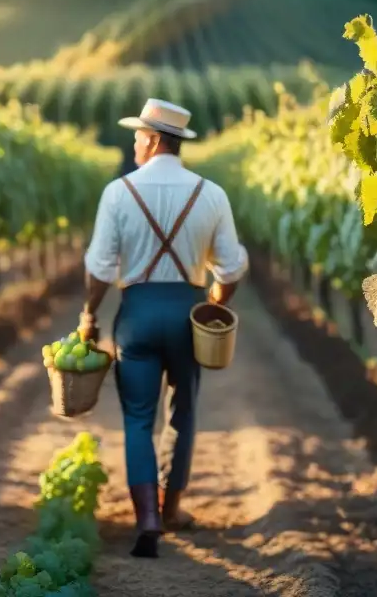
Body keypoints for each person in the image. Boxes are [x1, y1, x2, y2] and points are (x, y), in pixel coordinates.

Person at [78, 98, 249, 558]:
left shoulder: (119, 193)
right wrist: (214, 304)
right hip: (188, 316)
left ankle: (147, 519)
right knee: (184, 411)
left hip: (136, 315)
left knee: (138, 418)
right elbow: (231, 268)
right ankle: (171, 508)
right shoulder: (210, 194)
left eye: (138, 136)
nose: (134, 143)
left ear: (154, 141)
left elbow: (99, 268)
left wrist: (90, 312)